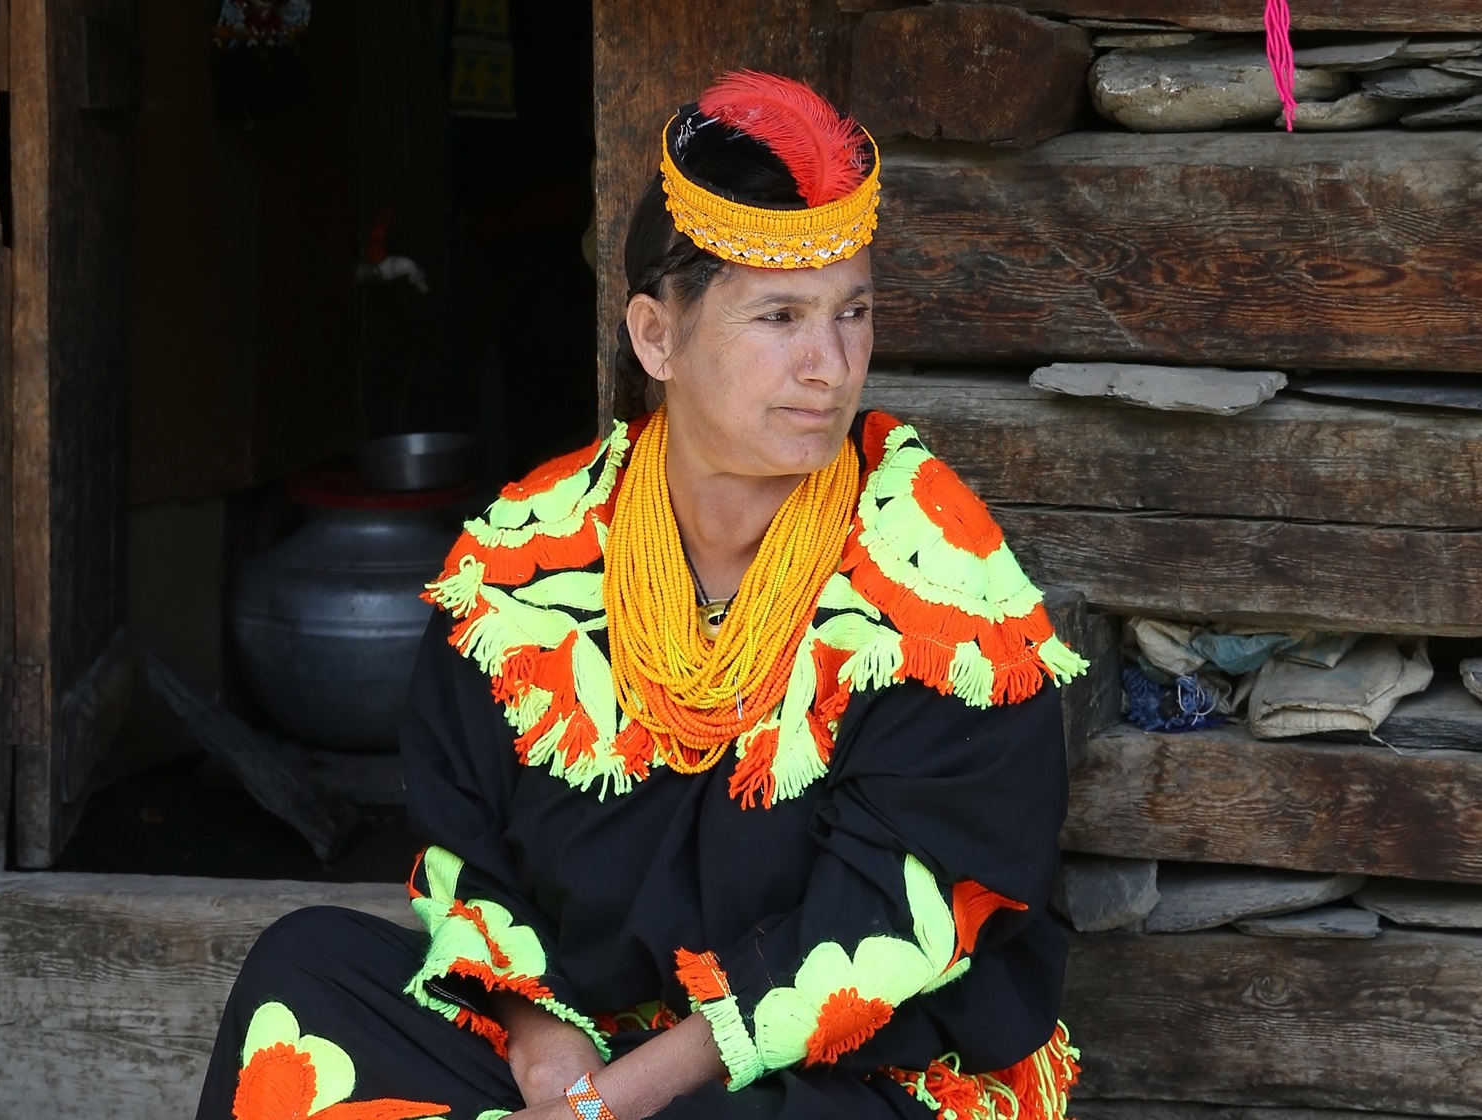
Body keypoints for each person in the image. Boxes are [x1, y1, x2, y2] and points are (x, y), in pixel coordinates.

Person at [198, 71, 1087, 1120]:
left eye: (852, 313)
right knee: (305, 976)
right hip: (591, 1043)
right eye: (780, 316)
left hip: (835, 1078)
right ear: (656, 336)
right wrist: (545, 1049)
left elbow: (876, 933)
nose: (830, 365)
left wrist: (608, 1106)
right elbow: (465, 850)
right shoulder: (529, 562)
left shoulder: (934, 583)